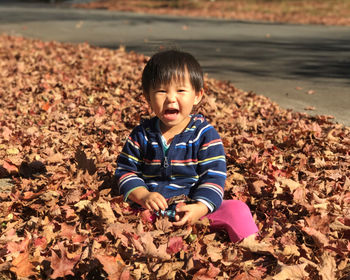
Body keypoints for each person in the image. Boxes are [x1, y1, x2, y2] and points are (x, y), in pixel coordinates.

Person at [115, 49, 258, 242]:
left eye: (181, 91)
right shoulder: (142, 134)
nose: (171, 98)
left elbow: (214, 177)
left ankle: (253, 251)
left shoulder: (204, 134)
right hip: (151, 209)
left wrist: (200, 207)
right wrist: (143, 196)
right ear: (148, 97)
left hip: (192, 207)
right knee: (117, 212)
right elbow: (125, 171)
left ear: (197, 95)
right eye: (161, 91)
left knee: (237, 209)